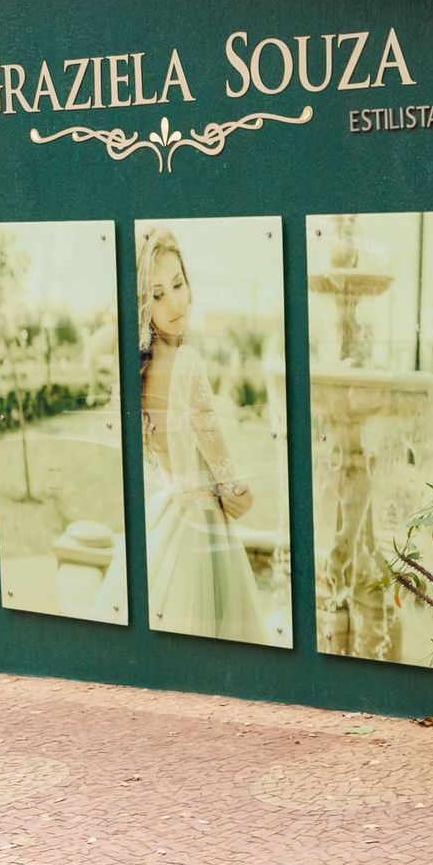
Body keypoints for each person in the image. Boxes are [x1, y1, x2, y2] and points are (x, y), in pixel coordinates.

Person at [92, 226, 271, 644]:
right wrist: (241, 493)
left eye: (178, 284)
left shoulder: (139, 370)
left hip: (168, 514)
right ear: (143, 303)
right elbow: (226, 475)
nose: (174, 302)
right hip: (201, 522)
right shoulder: (186, 363)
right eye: (157, 294)